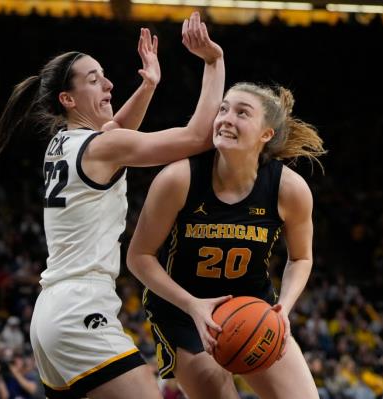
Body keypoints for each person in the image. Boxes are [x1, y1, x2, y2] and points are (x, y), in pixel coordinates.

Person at [0, 12, 225, 399]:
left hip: (51, 315)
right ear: (68, 98)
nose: (110, 83)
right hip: (80, 308)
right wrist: (214, 62)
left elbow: (114, 132)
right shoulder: (100, 147)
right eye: (94, 80)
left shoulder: (61, 144)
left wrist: (147, 86)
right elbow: (198, 136)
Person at [127, 82, 327, 399]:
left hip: (252, 308)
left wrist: (283, 309)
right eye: (223, 109)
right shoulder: (178, 178)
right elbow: (138, 257)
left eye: (241, 113)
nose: (225, 118)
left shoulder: (290, 189)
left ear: (266, 135)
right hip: (184, 314)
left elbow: (301, 259)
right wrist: (193, 306)